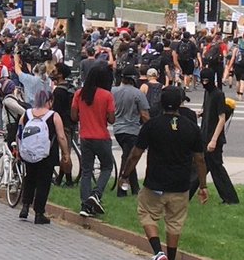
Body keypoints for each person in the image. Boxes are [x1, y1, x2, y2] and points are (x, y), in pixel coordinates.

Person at [119, 86, 210, 260]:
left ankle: (157, 252)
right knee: (174, 223)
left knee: (147, 214)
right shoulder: (191, 127)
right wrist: (203, 185)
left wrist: (125, 174)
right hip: (180, 184)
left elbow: (136, 153)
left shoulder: (151, 126)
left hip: (155, 182)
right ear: (180, 103)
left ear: (160, 103)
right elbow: (200, 159)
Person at [17, 89, 69, 224]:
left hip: (29, 153)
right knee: (43, 182)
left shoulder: (27, 114)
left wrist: (19, 150)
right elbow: (61, 137)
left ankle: (25, 207)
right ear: (49, 101)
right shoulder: (53, 115)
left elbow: (20, 133)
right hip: (47, 154)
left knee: (29, 179)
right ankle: (39, 213)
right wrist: (65, 153)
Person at [190, 68, 240, 204]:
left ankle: (230, 198)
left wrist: (214, 140)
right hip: (204, 135)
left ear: (212, 80)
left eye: (206, 80)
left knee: (212, 167)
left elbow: (222, 118)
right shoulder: (207, 93)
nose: (204, 83)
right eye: (202, 80)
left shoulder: (218, 94)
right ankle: (229, 198)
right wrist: (200, 113)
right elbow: (207, 110)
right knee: (202, 166)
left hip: (213, 138)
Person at [72, 63, 115, 217]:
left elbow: (73, 116)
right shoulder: (106, 95)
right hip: (101, 137)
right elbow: (111, 119)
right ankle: (96, 194)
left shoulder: (79, 94)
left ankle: (85, 204)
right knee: (107, 167)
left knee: (86, 171)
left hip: (85, 136)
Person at [111, 66, 150, 197]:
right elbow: (144, 114)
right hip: (132, 130)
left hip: (117, 129)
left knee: (129, 156)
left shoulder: (113, 91)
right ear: (134, 79)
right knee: (128, 159)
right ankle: (121, 190)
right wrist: (151, 128)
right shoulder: (137, 93)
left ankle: (135, 189)